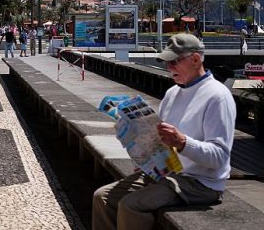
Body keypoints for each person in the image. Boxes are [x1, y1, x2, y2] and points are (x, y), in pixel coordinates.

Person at [92, 33, 236, 230]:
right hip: (166, 173)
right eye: (167, 63)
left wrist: (183, 142)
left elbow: (219, 157)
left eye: (174, 62)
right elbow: (160, 140)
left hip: (201, 184)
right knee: (103, 197)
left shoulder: (218, 96)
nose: (169, 68)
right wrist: (142, 151)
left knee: (131, 206)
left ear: (195, 59)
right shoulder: (173, 93)